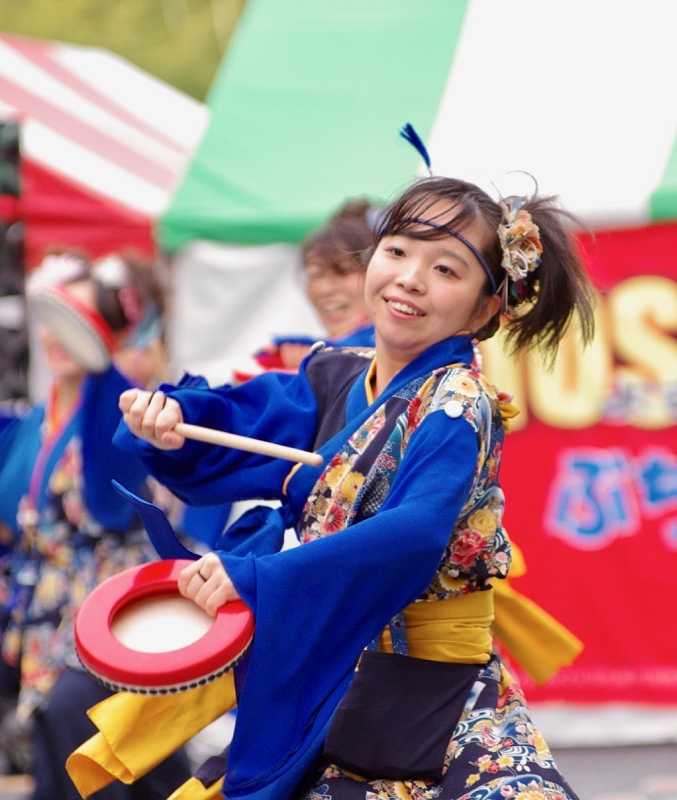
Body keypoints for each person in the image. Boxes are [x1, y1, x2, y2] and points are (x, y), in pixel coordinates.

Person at [112, 172, 595, 800]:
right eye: (397, 251)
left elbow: (413, 534)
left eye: (446, 269)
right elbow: (236, 424)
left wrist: (257, 576)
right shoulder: (335, 377)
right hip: (340, 683)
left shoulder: (458, 404)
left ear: (485, 309)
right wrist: (171, 424)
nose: (411, 278)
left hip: (439, 702)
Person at [0, 251, 193, 800]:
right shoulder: (33, 425)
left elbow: (111, 500)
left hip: (114, 612)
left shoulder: (123, 411)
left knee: (80, 728)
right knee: (58, 755)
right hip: (42, 619)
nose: (60, 336)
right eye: (53, 318)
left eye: (78, 322)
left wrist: (103, 362)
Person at [236, 198, 379, 382]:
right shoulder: (286, 357)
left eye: (343, 272)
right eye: (315, 274)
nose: (326, 289)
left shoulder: (401, 354)